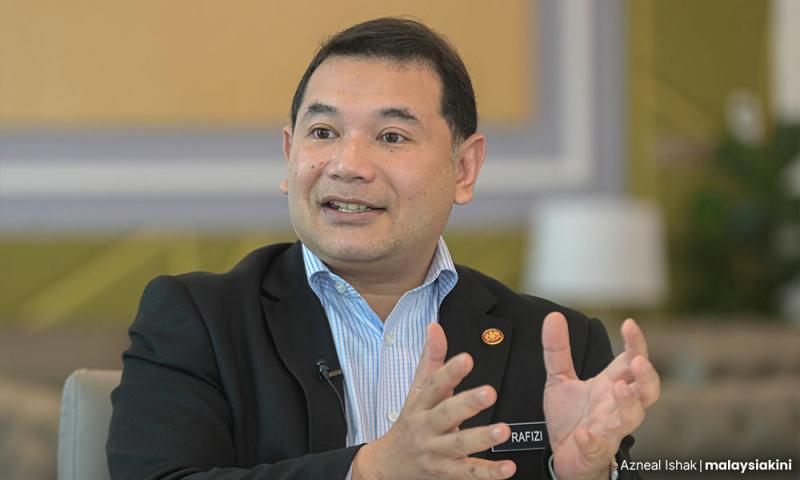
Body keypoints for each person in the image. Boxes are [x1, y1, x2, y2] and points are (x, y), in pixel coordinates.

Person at [107, 17, 660, 480]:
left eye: (391, 136)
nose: (347, 165)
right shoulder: (198, 320)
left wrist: (583, 474)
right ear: (289, 154)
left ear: (464, 168)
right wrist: (371, 469)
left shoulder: (560, 345)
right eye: (323, 132)